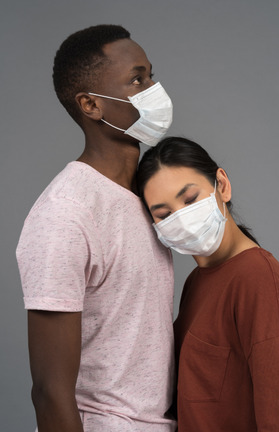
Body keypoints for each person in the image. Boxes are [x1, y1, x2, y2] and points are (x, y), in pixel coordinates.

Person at [16, 25, 177, 432]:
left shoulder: (147, 197)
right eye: (137, 79)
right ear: (90, 104)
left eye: (151, 75)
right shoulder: (66, 213)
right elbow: (49, 390)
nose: (153, 89)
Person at [137, 136, 279, 432]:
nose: (182, 219)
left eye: (190, 199)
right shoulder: (196, 283)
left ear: (222, 184)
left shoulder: (256, 276)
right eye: (164, 215)